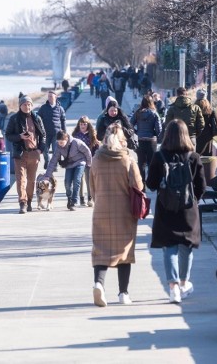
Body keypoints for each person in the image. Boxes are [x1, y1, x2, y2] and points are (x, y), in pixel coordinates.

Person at [146, 120, 206, 304]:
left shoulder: (159, 156)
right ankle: (183, 282)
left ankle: (172, 288)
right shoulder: (194, 157)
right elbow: (201, 186)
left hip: (166, 208)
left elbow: (151, 184)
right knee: (186, 246)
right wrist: (191, 198)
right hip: (188, 210)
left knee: (169, 247)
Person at [89, 122, 144, 307]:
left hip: (101, 210)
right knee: (124, 252)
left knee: (101, 250)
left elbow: (92, 188)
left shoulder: (96, 159)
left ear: (104, 139)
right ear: (122, 141)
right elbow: (138, 186)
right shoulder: (127, 160)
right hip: (124, 212)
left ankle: (98, 284)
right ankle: (123, 293)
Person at [5, 95, 46, 214]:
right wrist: (20, 137)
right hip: (20, 153)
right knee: (21, 180)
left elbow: (43, 135)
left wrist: (40, 150)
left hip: (34, 153)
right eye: (25, 104)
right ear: (20, 106)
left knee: (32, 181)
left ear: (32, 106)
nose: (27, 107)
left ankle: (29, 201)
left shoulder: (37, 118)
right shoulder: (14, 119)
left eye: (29, 104)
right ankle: (22, 203)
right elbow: (8, 135)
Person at [42, 130, 92, 211]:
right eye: (58, 142)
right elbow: (53, 160)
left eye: (62, 142)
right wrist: (48, 175)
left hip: (80, 162)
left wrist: (89, 163)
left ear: (66, 139)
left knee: (77, 180)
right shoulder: (58, 147)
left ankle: (75, 201)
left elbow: (87, 151)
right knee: (67, 183)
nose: (60, 144)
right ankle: (69, 197)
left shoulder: (76, 142)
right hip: (69, 164)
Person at [130, 95, 162, 190]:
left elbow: (130, 124)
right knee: (151, 163)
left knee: (141, 163)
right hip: (151, 141)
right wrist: (154, 134)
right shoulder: (154, 114)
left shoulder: (137, 113)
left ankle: (142, 185)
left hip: (140, 140)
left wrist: (137, 132)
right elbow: (159, 129)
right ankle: (151, 184)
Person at [72, 115, 100, 207]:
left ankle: (90, 197)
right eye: (81, 124)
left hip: (89, 160)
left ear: (88, 125)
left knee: (89, 180)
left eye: (84, 124)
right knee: (79, 179)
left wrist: (95, 156)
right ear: (78, 125)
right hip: (78, 160)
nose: (83, 126)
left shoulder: (92, 134)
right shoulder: (75, 135)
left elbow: (96, 147)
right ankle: (81, 198)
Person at [37, 90, 66, 170]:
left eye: (51, 96)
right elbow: (38, 119)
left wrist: (64, 133)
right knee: (45, 150)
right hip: (45, 133)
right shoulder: (43, 108)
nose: (49, 98)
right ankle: (47, 161)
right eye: (48, 96)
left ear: (55, 97)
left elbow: (63, 120)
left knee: (55, 150)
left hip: (56, 133)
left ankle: (54, 165)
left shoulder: (60, 109)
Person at [194, 90, 217, 156]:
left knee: (196, 154)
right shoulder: (210, 109)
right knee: (207, 156)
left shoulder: (193, 108)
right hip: (208, 134)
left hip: (196, 133)